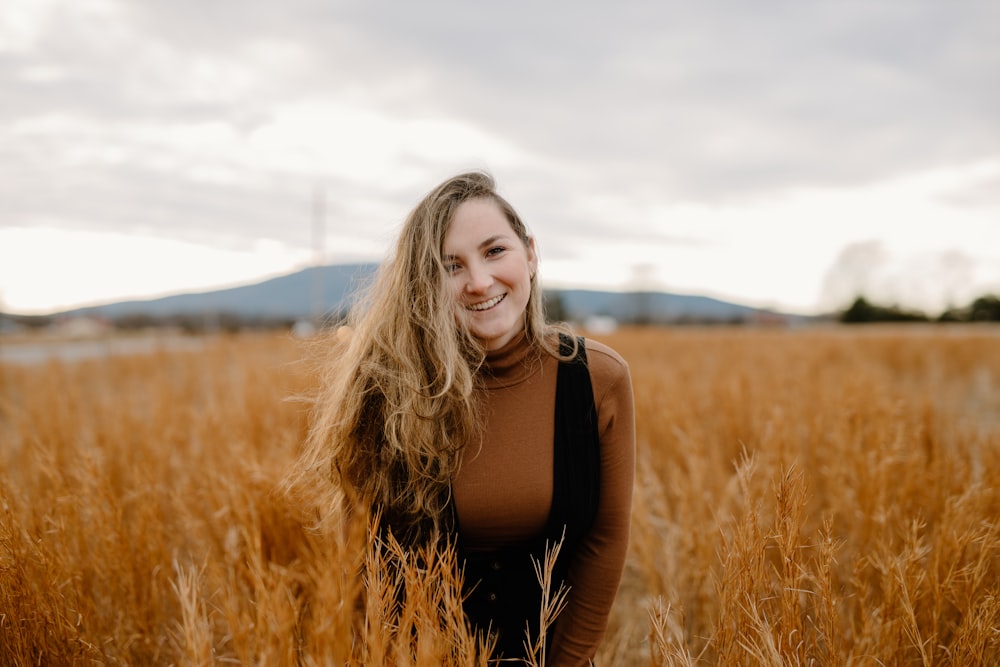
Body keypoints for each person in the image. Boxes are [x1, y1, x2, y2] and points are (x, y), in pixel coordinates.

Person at [301, 171, 635, 665]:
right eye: (450, 266)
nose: (479, 282)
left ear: (531, 254)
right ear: (426, 285)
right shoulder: (385, 391)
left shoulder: (597, 380)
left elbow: (604, 540)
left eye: (495, 251)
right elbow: (363, 569)